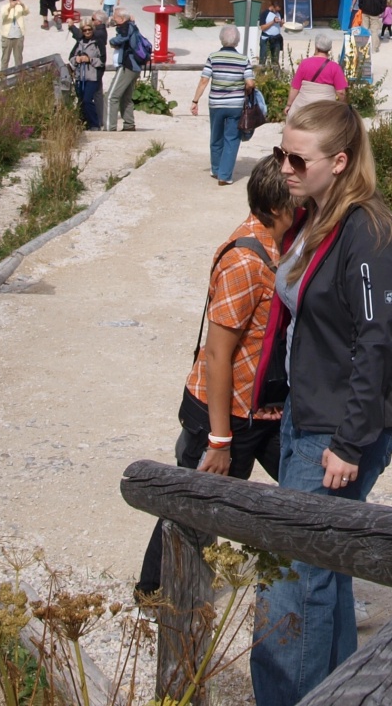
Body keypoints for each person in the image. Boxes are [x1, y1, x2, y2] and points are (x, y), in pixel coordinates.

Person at [251, 102, 392, 706]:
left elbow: (376, 339)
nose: (285, 168)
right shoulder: (314, 216)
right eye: (281, 154)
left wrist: (349, 443)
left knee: (290, 576)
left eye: (298, 159)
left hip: (341, 425)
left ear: (340, 162)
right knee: (324, 565)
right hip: (308, 410)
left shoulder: (369, 232)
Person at [137, 155, 296, 595]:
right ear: (279, 207)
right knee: (193, 509)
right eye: (299, 202)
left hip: (268, 412)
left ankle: (310, 585)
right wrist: (220, 440)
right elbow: (217, 354)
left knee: (311, 496)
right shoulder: (245, 261)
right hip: (227, 414)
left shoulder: (281, 245)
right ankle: (156, 594)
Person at [191, 25, 253, 185]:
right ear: (237, 40)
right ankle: (224, 176)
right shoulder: (243, 59)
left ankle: (216, 169)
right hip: (236, 105)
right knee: (232, 139)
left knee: (216, 136)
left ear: (221, 39)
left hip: (216, 104)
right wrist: (246, 91)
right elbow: (250, 83)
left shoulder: (213, 57)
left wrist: (195, 100)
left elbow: (204, 80)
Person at [104, 9, 143, 132]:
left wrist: (112, 41)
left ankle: (109, 127)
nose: (113, 18)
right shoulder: (131, 26)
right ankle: (129, 125)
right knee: (126, 97)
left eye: (115, 16)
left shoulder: (127, 27)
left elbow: (123, 38)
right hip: (134, 67)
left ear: (122, 18)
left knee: (111, 96)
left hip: (127, 66)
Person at [291, 35, 350, 109]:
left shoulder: (304, 63)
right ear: (329, 49)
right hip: (325, 107)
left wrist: (289, 105)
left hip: (304, 106)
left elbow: (295, 88)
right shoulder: (335, 67)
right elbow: (341, 92)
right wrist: (344, 106)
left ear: (316, 47)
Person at [69, 23, 104, 130]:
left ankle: (94, 124)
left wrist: (90, 60)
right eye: (85, 30)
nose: (87, 32)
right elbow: (71, 57)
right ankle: (84, 123)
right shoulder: (79, 42)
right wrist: (76, 59)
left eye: (89, 29)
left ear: (93, 30)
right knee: (81, 100)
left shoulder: (98, 42)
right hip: (80, 76)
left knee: (87, 100)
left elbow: (102, 61)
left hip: (93, 77)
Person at [0, 0, 28, 75]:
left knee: (18, 59)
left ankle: (18, 78)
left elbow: (26, 12)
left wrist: (22, 4)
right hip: (7, 37)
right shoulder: (4, 7)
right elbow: (2, 17)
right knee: (5, 59)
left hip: (18, 36)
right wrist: (10, 7)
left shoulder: (19, 7)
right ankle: (3, 78)